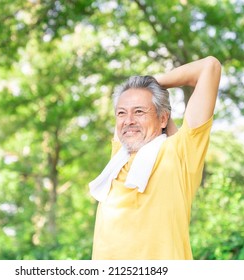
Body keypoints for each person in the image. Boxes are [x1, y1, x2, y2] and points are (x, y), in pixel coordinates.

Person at [89, 56, 222, 259]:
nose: (129, 121)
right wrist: (138, 93)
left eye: (139, 111)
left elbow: (209, 66)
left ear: (162, 118)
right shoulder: (117, 157)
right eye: (121, 113)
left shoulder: (179, 153)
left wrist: (152, 82)